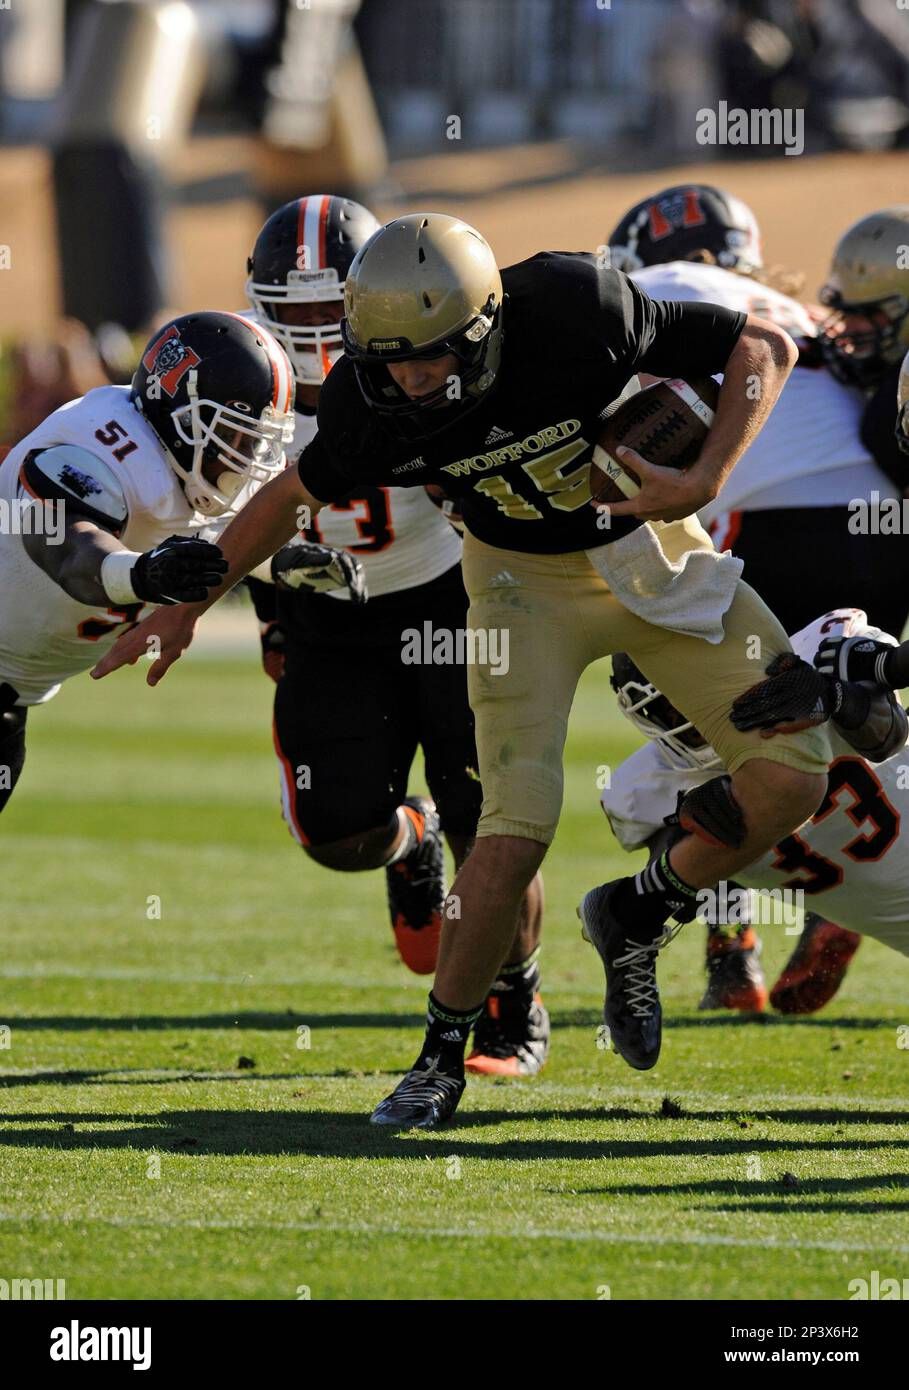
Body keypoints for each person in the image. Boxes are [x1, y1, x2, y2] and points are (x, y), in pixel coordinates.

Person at [93, 212, 832, 1129]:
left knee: (794, 771)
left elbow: (762, 342)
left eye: (431, 356)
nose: (409, 378)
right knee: (513, 823)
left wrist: (708, 473)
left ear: (487, 322)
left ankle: (638, 911)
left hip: (649, 548)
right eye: (388, 359)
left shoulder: (573, 305)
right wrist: (186, 601)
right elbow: (288, 498)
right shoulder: (372, 401)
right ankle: (442, 1053)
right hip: (519, 582)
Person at [241, 194, 547, 1072]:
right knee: (336, 833)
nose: (308, 333)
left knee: (486, 816)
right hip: (326, 619)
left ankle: (513, 1004)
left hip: (450, 602)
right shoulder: (241, 374)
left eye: (323, 308)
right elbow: (221, 509)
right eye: (289, 312)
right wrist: (266, 611)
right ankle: (405, 845)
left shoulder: (424, 358)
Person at [605, 182, 899, 1008]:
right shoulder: (789, 313)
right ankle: (851, 876)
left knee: (707, 723)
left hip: (785, 522)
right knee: (835, 706)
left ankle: (731, 949)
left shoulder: (665, 297)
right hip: (882, 528)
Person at [0, 311, 295, 814]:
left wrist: (295, 565)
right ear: (180, 416)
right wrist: (140, 573)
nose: (246, 462)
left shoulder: (189, 476)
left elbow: (232, 545)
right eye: (236, 439)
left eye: (255, 443)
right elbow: (66, 546)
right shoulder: (102, 447)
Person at [602, 605, 909, 1010]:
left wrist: (836, 695)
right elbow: (679, 889)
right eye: (676, 707)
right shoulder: (651, 787)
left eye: (696, 694)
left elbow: (888, 736)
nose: (698, 715)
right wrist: (686, 826)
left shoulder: (815, 653)